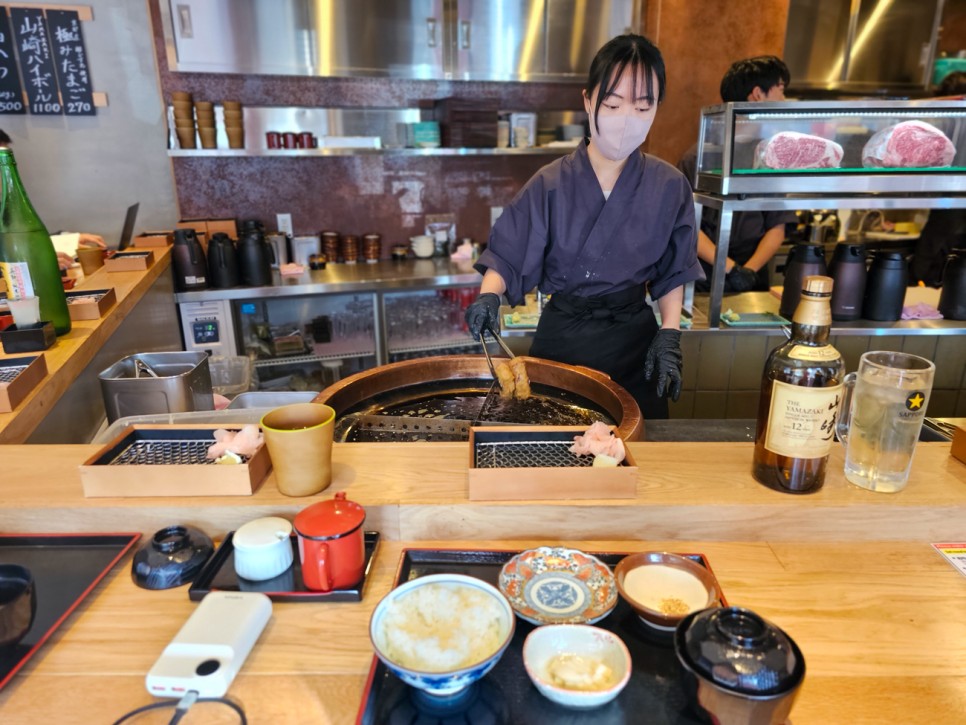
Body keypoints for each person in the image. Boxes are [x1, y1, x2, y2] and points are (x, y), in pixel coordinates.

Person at [464, 34, 701, 420]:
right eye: (612, 104)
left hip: (635, 343)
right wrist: (489, 295)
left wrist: (670, 333)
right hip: (564, 341)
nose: (628, 119)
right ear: (588, 100)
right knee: (554, 450)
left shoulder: (670, 185)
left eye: (644, 106)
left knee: (637, 455)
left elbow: (674, 270)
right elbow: (509, 251)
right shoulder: (550, 182)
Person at [677, 56, 798, 293]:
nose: (784, 99)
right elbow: (685, 223)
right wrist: (731, 269)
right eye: (781, 90)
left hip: (754, 279)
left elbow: (778, 225)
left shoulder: (770, 157)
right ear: (757, 94)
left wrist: (749, 271)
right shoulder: (697, 157)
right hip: (703, 277)